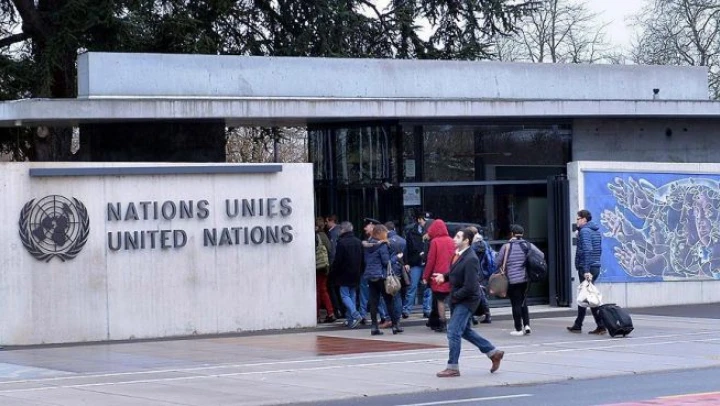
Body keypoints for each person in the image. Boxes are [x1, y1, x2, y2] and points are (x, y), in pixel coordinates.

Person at [431, 227, 504, 377]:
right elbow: (455, 273)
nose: (454, 239)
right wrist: (444, 277)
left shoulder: (471, 259)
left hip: (467, 300)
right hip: (459, 298)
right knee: (464, 330)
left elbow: (470, 286)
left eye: (458, 237)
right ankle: (493, 353)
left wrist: (454, 297)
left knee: (453, 331)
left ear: (466, 240)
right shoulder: (458, 254)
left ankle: (453, 367)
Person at [568, 209, 606, 335]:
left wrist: (586, 270)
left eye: (578, 219)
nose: (576, 221)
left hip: (587, 267)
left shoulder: (585, 231)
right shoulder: (595, 231)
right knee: (585, 295)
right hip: (595, 266)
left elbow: (587, 250)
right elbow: (598, 250)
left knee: (589, 296)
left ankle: (601, 325)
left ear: (584, 219)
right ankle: (578, 324)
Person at [363, 224, 402, 335]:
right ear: (380, 233)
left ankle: (374, 327)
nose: (387, 235)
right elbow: (386, 262)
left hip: (371, 276)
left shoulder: (368, 245)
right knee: (389, 301)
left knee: (374, 302)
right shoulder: (382, 245)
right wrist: (396, 257)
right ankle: (395, 325)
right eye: (385, 233)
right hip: (381, 276)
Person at [495, 224, 533, 336]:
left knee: (516, 303)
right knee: (523, 302)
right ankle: (527, 325)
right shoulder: (527, 245)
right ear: (522, 234)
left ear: (511, 234)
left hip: (512, 279)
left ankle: (518, 329)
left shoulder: (506, 246)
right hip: (525, 279)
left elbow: (497, 262)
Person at [422, 219, 455, 332]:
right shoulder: (451, 240)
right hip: (451, 274)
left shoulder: (435, 242)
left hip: (438, 276)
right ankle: (455, 323)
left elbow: (431, 261)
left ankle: (443, 323)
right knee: (452, 300)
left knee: (440, 301)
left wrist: (425, 276)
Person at [330, 221, 363, 329]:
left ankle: (355, 314)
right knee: (352, 295)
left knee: (344, 295)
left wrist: (333, 271)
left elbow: (338, 260)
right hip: (356, 272)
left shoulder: (341, 242)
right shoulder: (358, 241)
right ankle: (350, 320)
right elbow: (362, 259)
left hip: (344, 273)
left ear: (343, 230)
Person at [359, 217, 390, 327]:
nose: (365, 228)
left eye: (367, 226)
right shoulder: (379, 243)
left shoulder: (369, 242)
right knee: (380, 298)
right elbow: (385, 260)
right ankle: (386, 318)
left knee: (372, 298)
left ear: (372, 226)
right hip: (378, 273)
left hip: (368, 272)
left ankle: (369, 319)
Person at [403, 210, 433, 319]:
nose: (426, 222)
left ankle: (427, 309)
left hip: (427, 262)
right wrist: (406, 262)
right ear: (419, 219)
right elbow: (407, 248)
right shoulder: (412, 231)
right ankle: (407, 309)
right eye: (424, 220)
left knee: (427, 287)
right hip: (415, 262)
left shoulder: (431, 231)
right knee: (412, 286)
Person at [315, 217, 335, 323]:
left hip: (319, 266)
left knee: (319, 290)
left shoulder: (317, 236)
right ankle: (330, 312)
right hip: (324, 266)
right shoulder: (324, 235)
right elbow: (330, 250)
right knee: (322, 290)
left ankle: (318, 314)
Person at [324, 214, 343, 320]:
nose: (326, 224)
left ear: (331, 221)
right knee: (339, 287)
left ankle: (337, 310)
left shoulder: (333, 233)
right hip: (340, 264)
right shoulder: (340, 230)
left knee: (332, 287)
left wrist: (332, 264)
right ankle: (341, 309)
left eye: (327, 221)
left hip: (334, 264)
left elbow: (333, 250)